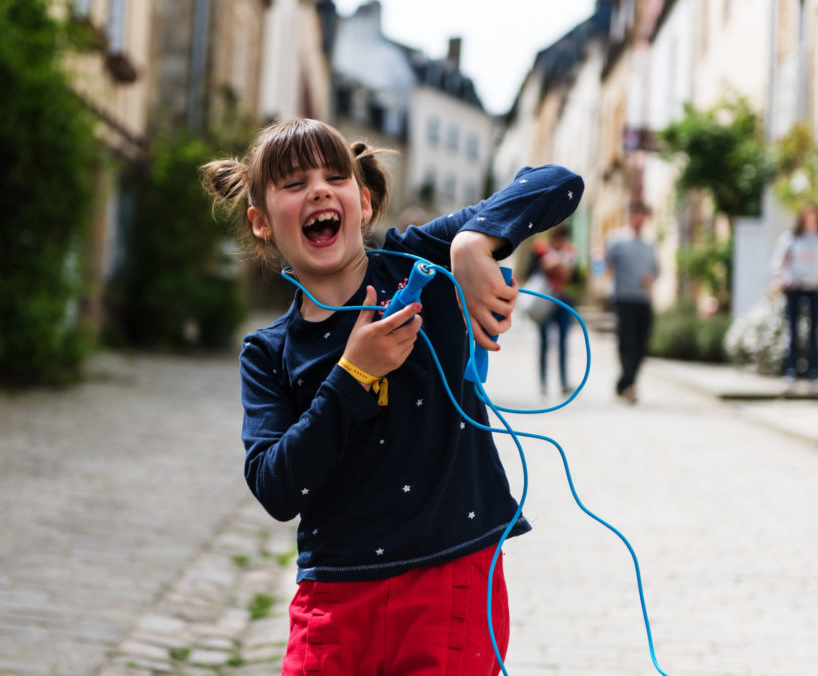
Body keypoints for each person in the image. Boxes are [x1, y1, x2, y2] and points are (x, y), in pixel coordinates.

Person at [201, 118, 582, 675]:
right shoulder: (268, 351)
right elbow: (277, 489)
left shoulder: (422, 257)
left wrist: (475, 241)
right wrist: (353, 375)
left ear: (366, 200)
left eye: (335, 176)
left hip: (450, 578)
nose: (318, 190)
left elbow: (559, 181)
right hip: (332, 600)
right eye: (293, 182)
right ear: (260, 223)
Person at [774, 203, 818, 394]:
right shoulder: (791, 238)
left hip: (815, 288)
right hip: (795, 288)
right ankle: (790, 372)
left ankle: (813, 374)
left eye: (814, 217)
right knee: (793, 331)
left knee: (814, 332)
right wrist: (788, 280)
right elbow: (779, 263)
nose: (811, 221)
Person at [605, 199, 659, 404]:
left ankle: (625, 383)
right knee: (626, 342)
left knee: (642, 345)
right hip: (623, 298)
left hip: (644, 299)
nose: (639, 218)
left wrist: (652, 278)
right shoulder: (617, 240)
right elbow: (603, 263)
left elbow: (657, 269)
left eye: (642, 214)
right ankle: (629, 386)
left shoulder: (650, 243)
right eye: (635, 214)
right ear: (630, 216)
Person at [535, 224, 577, 395]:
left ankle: (563, 381)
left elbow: (570, 275)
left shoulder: (569, 252)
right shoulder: (542, 251)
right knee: (545, 342)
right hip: (546, 299)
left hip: (563, 300)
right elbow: (541, 271)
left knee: (563, 343)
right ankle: (543, 382)